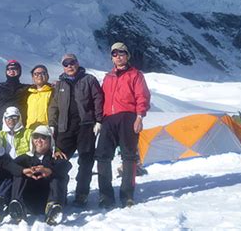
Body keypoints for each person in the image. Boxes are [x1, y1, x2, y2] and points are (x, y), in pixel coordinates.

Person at [95, 42, 151, 209]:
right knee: (103, 156)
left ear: (127, 55)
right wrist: (99, 120)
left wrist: (139, 117)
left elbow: (142, 96)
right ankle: (105, 195)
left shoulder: (135, 75)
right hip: (108, 119)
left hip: (128, 117)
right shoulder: (108, 77)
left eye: (121, 53)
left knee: (128, 157)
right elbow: (101, 98)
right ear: (112, 58)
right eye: (114, 53)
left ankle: (127, 195)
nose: (118, 56)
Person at [48, 53, 104, 207]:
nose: (69, 66)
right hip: (64, 128)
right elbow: (53, 105)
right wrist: (52, 123)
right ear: (63, 67)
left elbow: (98, 99)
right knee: (59, 162)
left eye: (72, 62)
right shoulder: (59, 84)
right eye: (66, 64)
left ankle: (81, 194)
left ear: (77, 63)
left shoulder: (89, 80)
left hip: (86, 127)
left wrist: (98, 120)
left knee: (86, 161)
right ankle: (59, 195)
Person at [8, 125, 72, 226]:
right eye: (36, 137)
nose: (39, 140)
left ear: (50, 140)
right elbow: (9, 165)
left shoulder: (55, 157)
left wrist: (50, 171)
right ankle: (17, 205)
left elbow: (67, 165)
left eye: (43, 137)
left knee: (59, 174)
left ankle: (53, 208)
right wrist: (23, 170)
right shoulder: (26, 157)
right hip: (30, 201)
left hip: (49, 199)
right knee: (19, 173)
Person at [0, 60, 29, 127]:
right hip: (2, 125)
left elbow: (40, 86)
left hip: (21, 125)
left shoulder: (26, 88)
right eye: (9, 69)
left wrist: (51, 85)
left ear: (20, 71)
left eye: (15, 68)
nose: (11, 71)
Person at [25, 65, 54, 129]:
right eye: (36, 74)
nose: (40, 75)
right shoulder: (29, 94)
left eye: (43, 73)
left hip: (46, 130)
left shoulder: (53, 92)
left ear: (47, 76)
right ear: (32, 77)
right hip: (30, 130)